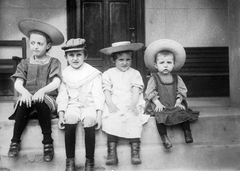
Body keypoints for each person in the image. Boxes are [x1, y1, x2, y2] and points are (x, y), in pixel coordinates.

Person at [8, 18, 64, 162]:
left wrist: (42, 91)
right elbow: (18, 83)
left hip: (46, 98)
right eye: (32, 43)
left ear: (48, 46)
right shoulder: (25, 63)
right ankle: (15, 142)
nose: (35, 47)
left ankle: (47, 143)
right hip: (28, 98)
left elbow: (57, 82)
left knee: (40, 101)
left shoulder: (53, 62)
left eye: (40, 43)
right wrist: (25, 92)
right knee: (22, 103)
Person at [57, 38, 105, 171]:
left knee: (89, 121)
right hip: (72, 105)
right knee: (70, 119)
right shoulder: (64, 74)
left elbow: (97, 95)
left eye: (79, 54)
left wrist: (99, 115)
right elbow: (62, 96)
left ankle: (90, 162)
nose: (75, 58)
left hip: (88, 105)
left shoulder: (93, 73)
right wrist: (61, 115)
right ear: (66, 57)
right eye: (71, 55)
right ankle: (70, 162)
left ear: (85, 55)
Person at [99, 41, 149, 165]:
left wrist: (133, 103)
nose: (125, 63)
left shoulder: (135, 73)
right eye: (121, 60)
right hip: (114, 101)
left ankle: (135, 152)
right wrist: (110, 103)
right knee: (112, 118)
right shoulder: (108, 74)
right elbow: (106, 89)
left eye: (128, 59)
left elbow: (136, 89)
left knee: (134, 118)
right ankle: (112, 153)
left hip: (130, 100)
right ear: (113, 60)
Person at [144, 39, 199, 149]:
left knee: (183, 113)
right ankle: (164, 138)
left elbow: (182, 91)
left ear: (173, 64)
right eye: (162, 63)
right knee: (160, 117)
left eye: (169, 63)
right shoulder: (154, 78)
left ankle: (187, 133)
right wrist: (157, 103)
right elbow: (150, 92)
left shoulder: (176, 78)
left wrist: (178, 102)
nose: (165, 66)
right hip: (161, 104)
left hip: (174, 104)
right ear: (155, 65)